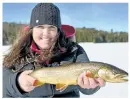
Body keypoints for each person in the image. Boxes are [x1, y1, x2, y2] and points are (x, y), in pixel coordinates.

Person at [3, 3, 105, 98]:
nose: (46, 33)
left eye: (51, 27)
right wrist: (17, 82)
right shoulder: (18, 52)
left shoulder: (75, 51)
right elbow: (3, 84)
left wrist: (92, 85)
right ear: (32, 29)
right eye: (40, 26)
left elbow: (87, 90)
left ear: (58, 31)